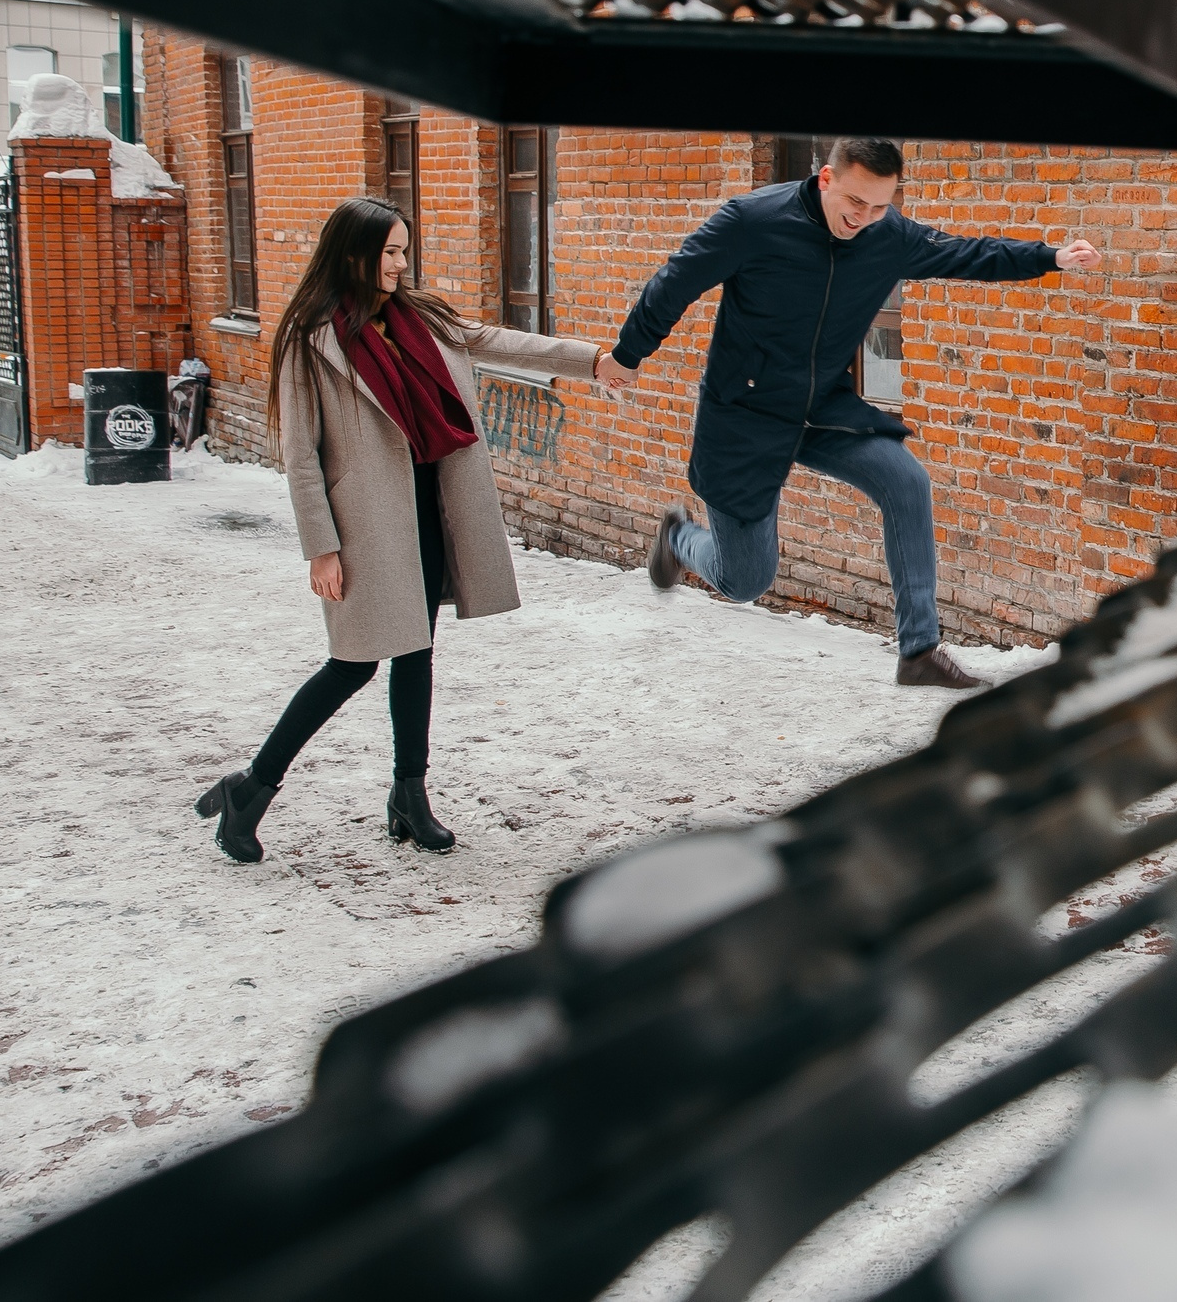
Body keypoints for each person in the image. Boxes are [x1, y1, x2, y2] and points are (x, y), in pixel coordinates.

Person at [195, 198, 626, 863]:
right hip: (367, 525)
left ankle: (409, 794)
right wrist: (321, 546)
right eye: (391, 251)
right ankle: (251, 787)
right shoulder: (313, 336)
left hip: (428, 508)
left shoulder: (417, 316)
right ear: (355, 253)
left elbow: (494, 339)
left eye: (403, 250)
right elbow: (299, 453)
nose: (402, 262)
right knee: (353, 665)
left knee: (417, 653)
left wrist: (591, 359)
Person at [598, 138, 1100, 687]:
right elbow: (675, 282)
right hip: (746, 414)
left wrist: (1048, 257)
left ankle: (919, 651)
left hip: (821, 407)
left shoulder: (887, 236)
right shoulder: (753, 221)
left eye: (880, 206)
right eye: (855, 202)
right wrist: (627, 356)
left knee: (906, 482)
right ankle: (679, 539)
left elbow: (967, 252)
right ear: (826, 180)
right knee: (744, 579)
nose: (864, 218)